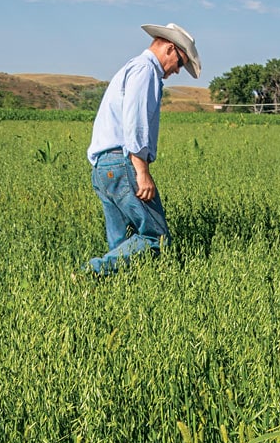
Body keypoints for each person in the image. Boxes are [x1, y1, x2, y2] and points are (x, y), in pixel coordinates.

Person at [85, 23, 201, 275]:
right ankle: (91, 272)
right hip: (123, 164)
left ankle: (105, 290)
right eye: (180, 63)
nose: (177, 71)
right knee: (155, 237)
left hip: (104, 168)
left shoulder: (131, 68)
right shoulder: (145, 70)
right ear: (171, 48)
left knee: (120, 244)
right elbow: (134, 122)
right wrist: (142, 171)